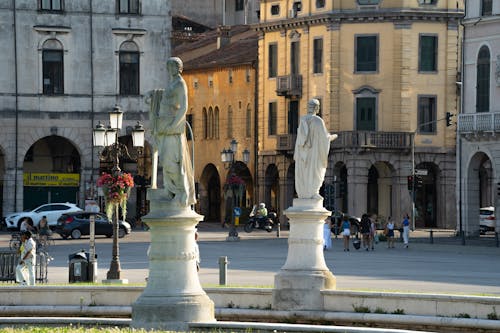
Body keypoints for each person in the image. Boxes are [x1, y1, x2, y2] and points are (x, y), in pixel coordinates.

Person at [146, 56, 196, 207]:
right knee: (165, 160)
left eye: (172, 67)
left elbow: (184, 107)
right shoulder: (172, 83)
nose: (170, 69)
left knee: (170, 161)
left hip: (171, 127)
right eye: (168, 67)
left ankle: (180, 191)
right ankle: (170, 189)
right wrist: (154, 95)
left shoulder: (180, 83)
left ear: (179, 68)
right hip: (164, 125)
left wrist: (174, 125)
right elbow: (166, 97)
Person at [294, 99, 338, 199]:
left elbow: (300, 140)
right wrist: (333, 137)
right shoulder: (318, 121)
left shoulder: (303, 119)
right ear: (317, 108)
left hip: (303, 155)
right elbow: (325, 138)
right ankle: (313, 192)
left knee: (304, 173)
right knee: (316, 172)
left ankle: (304, 193)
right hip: (314, 155)